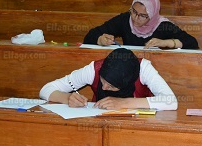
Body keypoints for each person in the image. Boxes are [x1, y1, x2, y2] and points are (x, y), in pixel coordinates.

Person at [39, 47, 177, 110]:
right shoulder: (95, 69)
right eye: (103, 80)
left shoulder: (144, 69)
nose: (104, 88)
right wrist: (67, 98)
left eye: (111, 86)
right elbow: (45, 89)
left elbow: (171, 101)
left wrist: (123, 103)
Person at [83, 0, 199, 49]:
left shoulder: (162, 25)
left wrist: (165, 42)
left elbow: (192, 43)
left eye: (143, 16)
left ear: (152, 15)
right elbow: (90, 36)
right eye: (134, 11)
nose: (135, 18)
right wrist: (100, 40)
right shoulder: (125, 19)